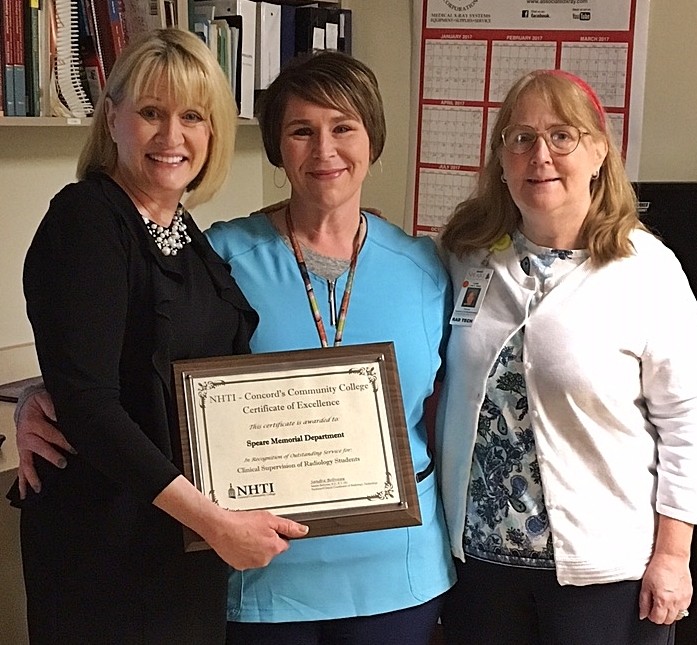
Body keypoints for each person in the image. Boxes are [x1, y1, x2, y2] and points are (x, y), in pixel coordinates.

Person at [13, 50, 456, 644]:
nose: (324, 150)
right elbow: (107, 372)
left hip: (392, 564)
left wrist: (62, 391)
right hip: (241, 563)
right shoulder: (216, 252)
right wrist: (45, 397)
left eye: (343, 127)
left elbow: (455, 400)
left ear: (373, 140)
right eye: (301, 130)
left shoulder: (429, 268)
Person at [9, 28, 308, 644]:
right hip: (108, 543)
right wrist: (216, 523)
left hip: (177, 536)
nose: (172, 137)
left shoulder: (182, 230)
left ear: (213, 132)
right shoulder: (88, 218)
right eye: (151, 113)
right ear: (112, 117)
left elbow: (137, 362)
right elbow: (91, 405)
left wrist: (49, 384)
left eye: (192, 116)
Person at [435, 69, 697, 644]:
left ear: (598, 152)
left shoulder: (647, 269)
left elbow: (687, 423)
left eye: (561, 136)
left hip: (604, 574)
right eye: (520, 138)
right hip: (479, 566)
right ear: (501, 159)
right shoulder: (465, 256)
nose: (540, 155)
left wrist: (673, 555)